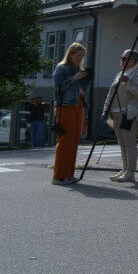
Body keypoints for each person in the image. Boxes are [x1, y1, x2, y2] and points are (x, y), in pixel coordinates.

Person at [103, 49, 138, 183]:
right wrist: (105, 110)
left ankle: (130, 171)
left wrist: (127, 81)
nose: (120, 60)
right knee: (122, 143)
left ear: (131, 61)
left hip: (128, 113)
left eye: (123, 58)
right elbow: (111, 93)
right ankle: (125, 168)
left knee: (129, 143)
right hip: (115, 112)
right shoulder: (119, 74)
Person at [51, 43, 91, 185]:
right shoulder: (62, 68)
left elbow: (81, 90)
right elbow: (57, 88)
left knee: (74, 141)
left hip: (77, 106)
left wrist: (85, 79)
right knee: (65, 141)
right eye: (78, 55)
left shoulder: (77, 69)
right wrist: (74, 78)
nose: (80, 59)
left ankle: (69, 174)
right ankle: (59, 176)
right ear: (71, 54)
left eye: (82, 56)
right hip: (65, 107)